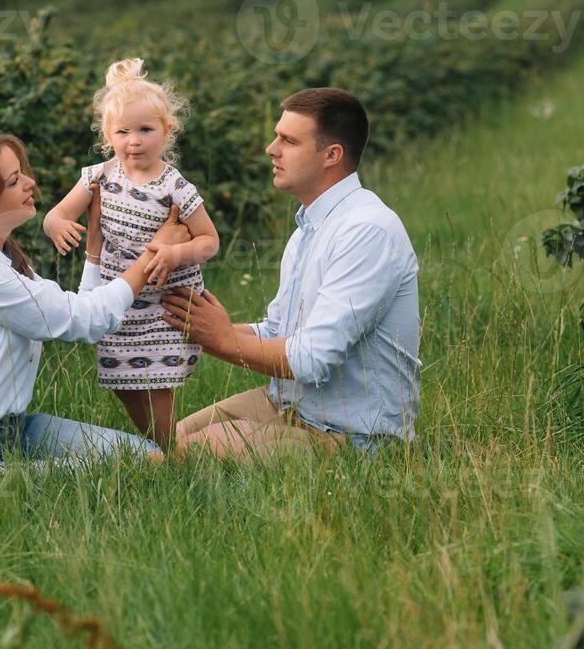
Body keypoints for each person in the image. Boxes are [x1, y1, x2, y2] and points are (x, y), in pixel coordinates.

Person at [160, 87, 421, 459]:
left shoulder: (367, 230)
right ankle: (55, 466)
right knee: (163, 441)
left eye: (288, 140)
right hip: (287, 407)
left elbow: (311, 359)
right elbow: (279, 332)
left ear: (332, 155)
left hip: (352, 437)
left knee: (191, 452)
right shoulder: (307, 230)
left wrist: (220, 338)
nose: (272, 148)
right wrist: (193, 326)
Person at [0, 129, 188, 465]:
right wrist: (153, 254)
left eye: (22, 172)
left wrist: (94, 248)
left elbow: (80, 313)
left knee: (147, 457)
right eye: (13, 181)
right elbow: (87, 320)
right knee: (141, 466)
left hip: (12, 430)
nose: (29, 184)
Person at [42, 58, 220, 450]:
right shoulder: (98, 176)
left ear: (166, 131)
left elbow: (210, 240)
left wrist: (177, 254)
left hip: (162, 302)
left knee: (157, 385)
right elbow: (57, 213)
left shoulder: (175, 186)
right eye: (122, 132)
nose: (134, 141)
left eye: (145, 130)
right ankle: (163, 447)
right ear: (108, 134)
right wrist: (57, 225)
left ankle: (173, 454)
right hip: (119, 297)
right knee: (122, 383)